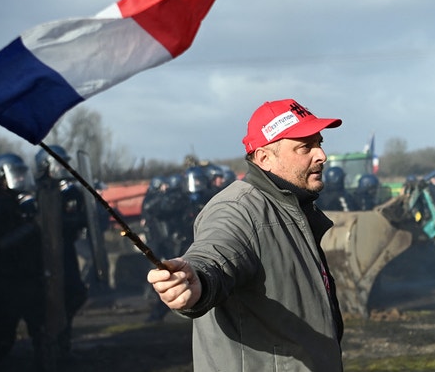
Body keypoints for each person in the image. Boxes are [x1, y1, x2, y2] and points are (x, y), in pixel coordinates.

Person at [147, 98, 345, 371]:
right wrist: (197, 281)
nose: (321, 155)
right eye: (305, 147)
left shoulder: (291, 208)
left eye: (319, 142)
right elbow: (214, 254)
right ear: (264, 158)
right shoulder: (238, 208)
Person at [0, 153, 46, 369]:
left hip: (29, 276)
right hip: (8, 279)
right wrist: (29, 227)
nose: (20, 180)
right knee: (4, 336)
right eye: (15, 175)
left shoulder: (22, 200)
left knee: (41, 328)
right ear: (1, 178)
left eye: (22, 175)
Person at [34, 145, 88, 357]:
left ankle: (62, 341)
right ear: (45, 165)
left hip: (65, 251)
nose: (64, 168)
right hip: (41, 256)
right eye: (59, 163)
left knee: (74, 294)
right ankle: (46, 347)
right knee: (46, 302)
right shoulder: (36, 190)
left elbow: (81, 218)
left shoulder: (70, 192)